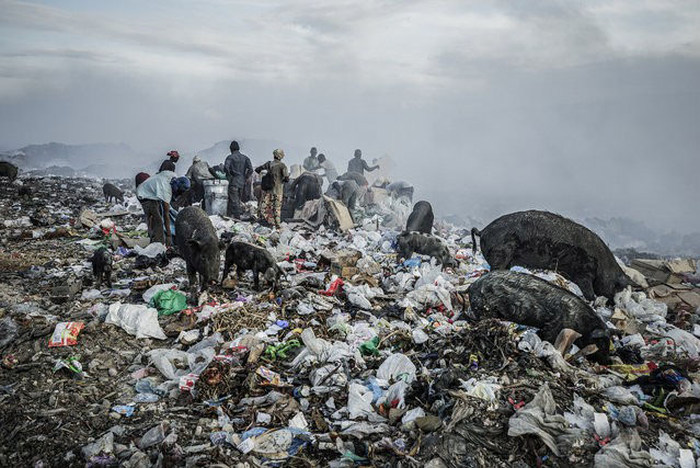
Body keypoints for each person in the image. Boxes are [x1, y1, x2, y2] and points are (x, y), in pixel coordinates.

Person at [136, 168, 177, 246]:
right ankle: (158, 243)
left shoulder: (166, 179)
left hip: (144, 196)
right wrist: (168, 235)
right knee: (158, 221)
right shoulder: (165, 188)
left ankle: (153, 239)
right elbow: (166, 214)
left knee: (151, 218)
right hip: (147, 198)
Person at [256, 149, 289, 228]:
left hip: (268, 191)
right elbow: (287, 178)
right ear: (281, 156)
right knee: (276, 209)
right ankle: (277, 225)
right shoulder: (282, 166)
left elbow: (257, 169)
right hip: (278, 191)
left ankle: (265, 222)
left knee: (265, 207)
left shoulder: (269, 164)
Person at [223, 141, 253, 218]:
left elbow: (226, 168)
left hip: (233, 181)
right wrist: (246, 177)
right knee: (236, 199)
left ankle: (237, 217)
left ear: (231, 149)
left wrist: (230, 175)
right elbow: (251, 169)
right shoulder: (245, 158)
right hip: (242, 182)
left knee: (234, 200)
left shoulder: (230, 157)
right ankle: (229, 216)